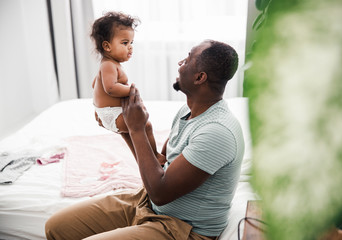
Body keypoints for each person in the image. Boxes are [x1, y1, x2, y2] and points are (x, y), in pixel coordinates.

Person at [45, 40, 244, 240]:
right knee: (56, 227)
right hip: (149, 203)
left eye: (188, 59)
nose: (180, 63)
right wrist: (124, 128)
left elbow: (160, 191)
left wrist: (137, 128)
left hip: (181, 229)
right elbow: (159, 162)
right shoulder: (188, 111)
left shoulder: (217, 132)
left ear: (200, 77)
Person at [90, 11, 161, 161]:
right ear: (107, 46)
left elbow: (95, 84)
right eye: (125, 43)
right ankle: (155, 156)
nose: (130, 47)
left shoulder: (108, 65)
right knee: (145, 126)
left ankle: (144, 162)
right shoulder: (109, 65)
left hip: (110, 113)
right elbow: (110, 88)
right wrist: (132, 91)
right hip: (113, 114)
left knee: (133, 138)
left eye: (131, 43)